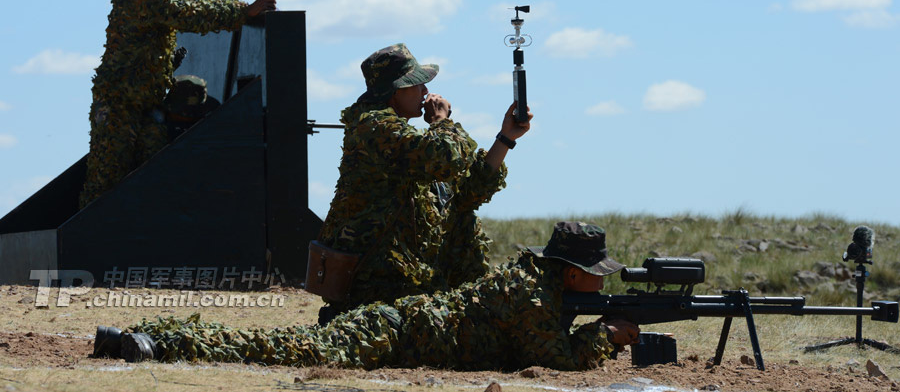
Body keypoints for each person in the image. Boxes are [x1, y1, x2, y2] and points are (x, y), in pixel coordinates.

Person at [98, 222, 641, 370]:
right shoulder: (531, 296)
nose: (602, 279)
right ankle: (158, 345)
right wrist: (605, 337)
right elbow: (560, 363)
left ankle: (136, 339)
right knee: (280, 350)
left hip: (396, 329)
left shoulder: (532, 285)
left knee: (277, 344)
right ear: (570, 273)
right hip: (392, 337)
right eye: (595, 272)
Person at [314, 43, 533, 321]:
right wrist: (441, 121)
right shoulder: (373, 127)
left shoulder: (403, 139)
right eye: (417, 85)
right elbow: (445, 157)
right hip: (376, 282)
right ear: (395, 91)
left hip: (401, 275)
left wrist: (505, 139)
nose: (425, 93)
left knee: (464, 221)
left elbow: (464, 194)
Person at [79, 0, 276, 208]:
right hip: (119, 108)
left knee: (150, 171)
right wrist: (244, 11)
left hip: (143, 107)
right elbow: (186, 12)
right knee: (105, 184)